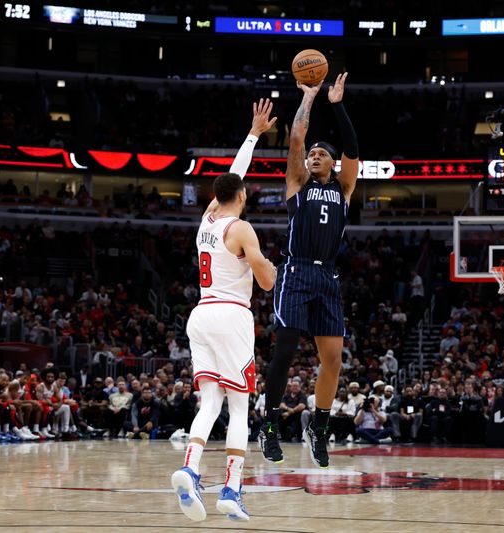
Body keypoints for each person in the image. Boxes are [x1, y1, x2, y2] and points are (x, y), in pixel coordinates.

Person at [171, 99, 277, 524]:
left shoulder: (207, 220)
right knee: (238, 408)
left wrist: (252, 135)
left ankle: (190, 468)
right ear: (245, 196)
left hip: (201, 314)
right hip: (232, 314)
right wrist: (268, 264)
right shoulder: (243, 228)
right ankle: (232, 488)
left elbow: (234, 173)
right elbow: (267, 283)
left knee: (209, 402)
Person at [260, 71, 359, 469]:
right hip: (296, 272)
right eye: (312, 154)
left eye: (322, 154)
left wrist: (337, 105)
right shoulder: (298, 182)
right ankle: (268, 425)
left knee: (333, 359)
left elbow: (352, 148)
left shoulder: (344, 188)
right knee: (284, 350)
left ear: (333, 164)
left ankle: (318, 427)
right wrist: (310, 96)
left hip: (328, 277)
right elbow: (297, 139)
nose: (314, 155)